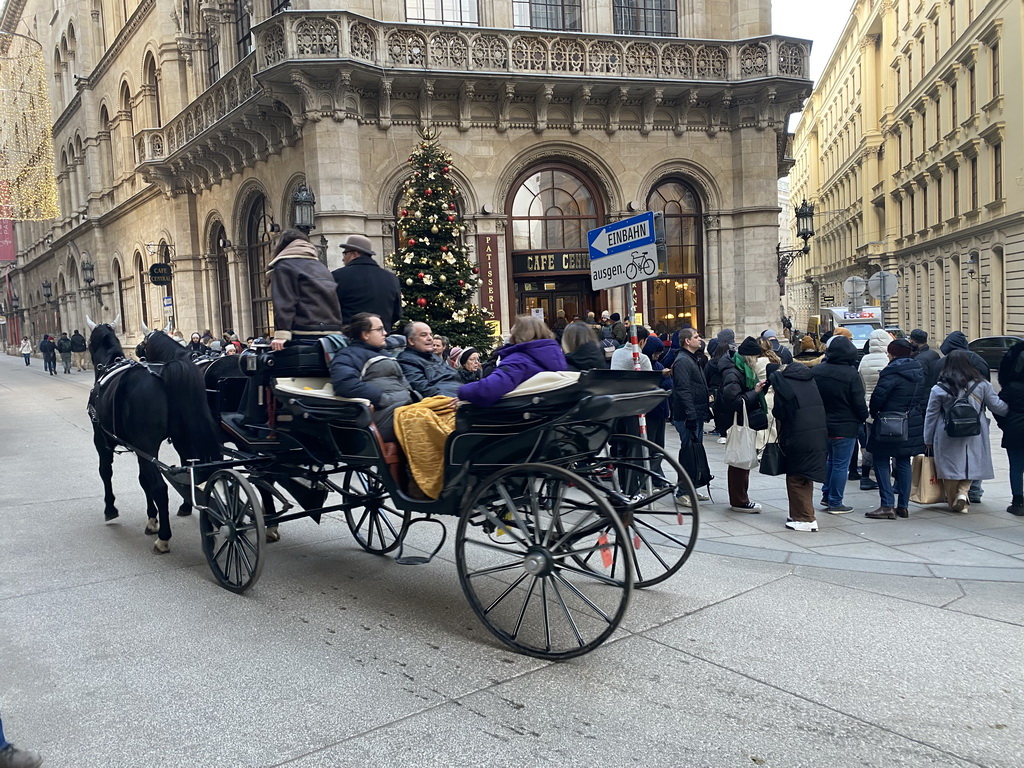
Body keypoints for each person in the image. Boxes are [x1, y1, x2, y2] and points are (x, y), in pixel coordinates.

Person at [923, 350, 1007, 513]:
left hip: (947, 431)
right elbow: (998, 407)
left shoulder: (938, 388)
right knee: (972, 463)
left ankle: (955, 501)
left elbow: (931, 415)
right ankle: (963, 492)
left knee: (949, 466)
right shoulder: (982, 384)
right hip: (975, 430)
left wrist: (928, 438)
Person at [864, 339, 927, 519]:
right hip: (910, 420)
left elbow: (878, 397)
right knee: (904, 462)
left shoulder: (891, 372)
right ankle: (903, 506)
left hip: (888, 421)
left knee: (881, 460)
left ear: (892, 354)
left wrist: (874, 412)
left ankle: (887, 505)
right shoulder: (918, 371)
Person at [329, 313, 414, 442]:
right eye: (380, 329)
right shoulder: (348, 355)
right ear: (365, 334)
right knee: (425, 420)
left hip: (405, 408)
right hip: (385, 414)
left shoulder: (383, 353)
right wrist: (382, 399)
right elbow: (344, 384)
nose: (385, 333)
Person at [810, 335, 868, 514]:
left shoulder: (817, 371)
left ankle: (827, 495)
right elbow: (858, 402)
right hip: (845, 425)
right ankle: (836, 502)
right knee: (840, 464)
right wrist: (863, 417)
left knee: (830, 460)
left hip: (822, 424)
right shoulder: (851, 374)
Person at [770, 360, 828, 532]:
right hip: (816, 434)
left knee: (795, 477)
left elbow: (780, 412)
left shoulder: (785, 384)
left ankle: (806, 518)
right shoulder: (810, 381)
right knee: (805, 476)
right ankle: (798, 514)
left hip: (798, 434)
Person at [457, 315, 566, 407]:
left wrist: (461, 391)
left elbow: (488, 389)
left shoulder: (519, 360)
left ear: (518, 336)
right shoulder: (554, 356)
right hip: (541, 415)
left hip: (515, 419)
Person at [936, 331, 991, 504]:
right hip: (975, 416)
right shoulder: (978, 361)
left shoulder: (940, 364)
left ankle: (952, 494)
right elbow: (988, 392)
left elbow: (930, 395)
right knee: (975, 454)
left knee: (952, 457)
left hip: (947, 418)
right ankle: (973, 491)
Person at [267, 229, 343, 352]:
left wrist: (282, 333)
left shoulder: (284, 266)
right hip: (332, 332)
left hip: (304, 331)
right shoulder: (320, 267)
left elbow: (285, 301)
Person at [720, 335, 768, 513]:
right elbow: (734, 400)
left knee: (742, 460)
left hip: (742, 419)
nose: (757, 361)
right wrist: (755, 392)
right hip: (738, 420)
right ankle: (739, 500)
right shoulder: (734, 372)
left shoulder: (741, 369)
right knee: (739, 461)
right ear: (750, 357)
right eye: (756, 357)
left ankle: (741, 498)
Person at [671, 328, 711, 503]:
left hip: (696, 412)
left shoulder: (692, 359)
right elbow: (683, 390)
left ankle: (691, 487)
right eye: (696, 337)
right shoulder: (682, 361)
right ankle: (682, 491)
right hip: (687, 415)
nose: (700, 339)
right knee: (688, 452)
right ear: (687, 341)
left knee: (695, 451)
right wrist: (690, 415)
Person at [332, 234, 402, 330]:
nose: (343, 259)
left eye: (345, 254)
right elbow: (397, 313)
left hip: (349, 337)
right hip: (381, 337)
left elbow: (330, 310)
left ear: (355, 254)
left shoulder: (338, 276)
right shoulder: (391, 278)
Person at [856, 329, 894, 490]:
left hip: (869, 406)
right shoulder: (888, 360)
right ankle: (891, 472)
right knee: (891, 441)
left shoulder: (864, 360)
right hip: (886, 407)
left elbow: (861, 384)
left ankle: (865, 475)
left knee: (871, 441)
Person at [995, 341, 1024, 515]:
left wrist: (1005, 423)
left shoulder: (1012, 387)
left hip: (1014, 430)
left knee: (1016, 466)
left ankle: (1018, 501)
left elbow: (998, 407)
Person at [398, 321, 462, 397]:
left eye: (431, 335)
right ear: (411, 341)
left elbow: (455, 375)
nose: (430, 338)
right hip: (448, 402)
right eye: (423, 335)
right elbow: (423, 388)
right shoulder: (406, 360)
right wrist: (454, 400)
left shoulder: (433, 356)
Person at [706, 328, 736, 442]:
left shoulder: (712, 363)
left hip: (715, 391)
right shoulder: (733, 360)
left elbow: (706, 377)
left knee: (719, 412)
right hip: (730, 389)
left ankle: (722, 432)